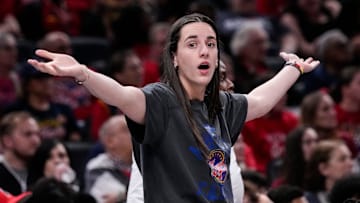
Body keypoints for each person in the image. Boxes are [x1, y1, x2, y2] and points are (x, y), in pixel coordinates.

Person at [27, 13, 319, 203]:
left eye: (211, 44)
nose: (204, 50)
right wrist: (82, 73)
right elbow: (121, 95)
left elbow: (260, 101)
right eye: (192, 44)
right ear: (174, 57)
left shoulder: (223, 106)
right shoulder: (160, 101)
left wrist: (293, 68)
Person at [126, 60, 245, 203]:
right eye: (222, 78)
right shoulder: (166, 126)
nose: (230, 84)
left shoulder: (218, 123)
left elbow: (260, 101)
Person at [84, 115, 132, 203]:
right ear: (110, 141)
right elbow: (109, 197)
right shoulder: (97, 167)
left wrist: (122, 195)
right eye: (126, 130)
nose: (134, 132)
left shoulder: (144, 163)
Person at [0, 111, 41, 195]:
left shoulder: (42, 169)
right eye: (28, 134)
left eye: (37, 134)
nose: (36, 141)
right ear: (7, 140)